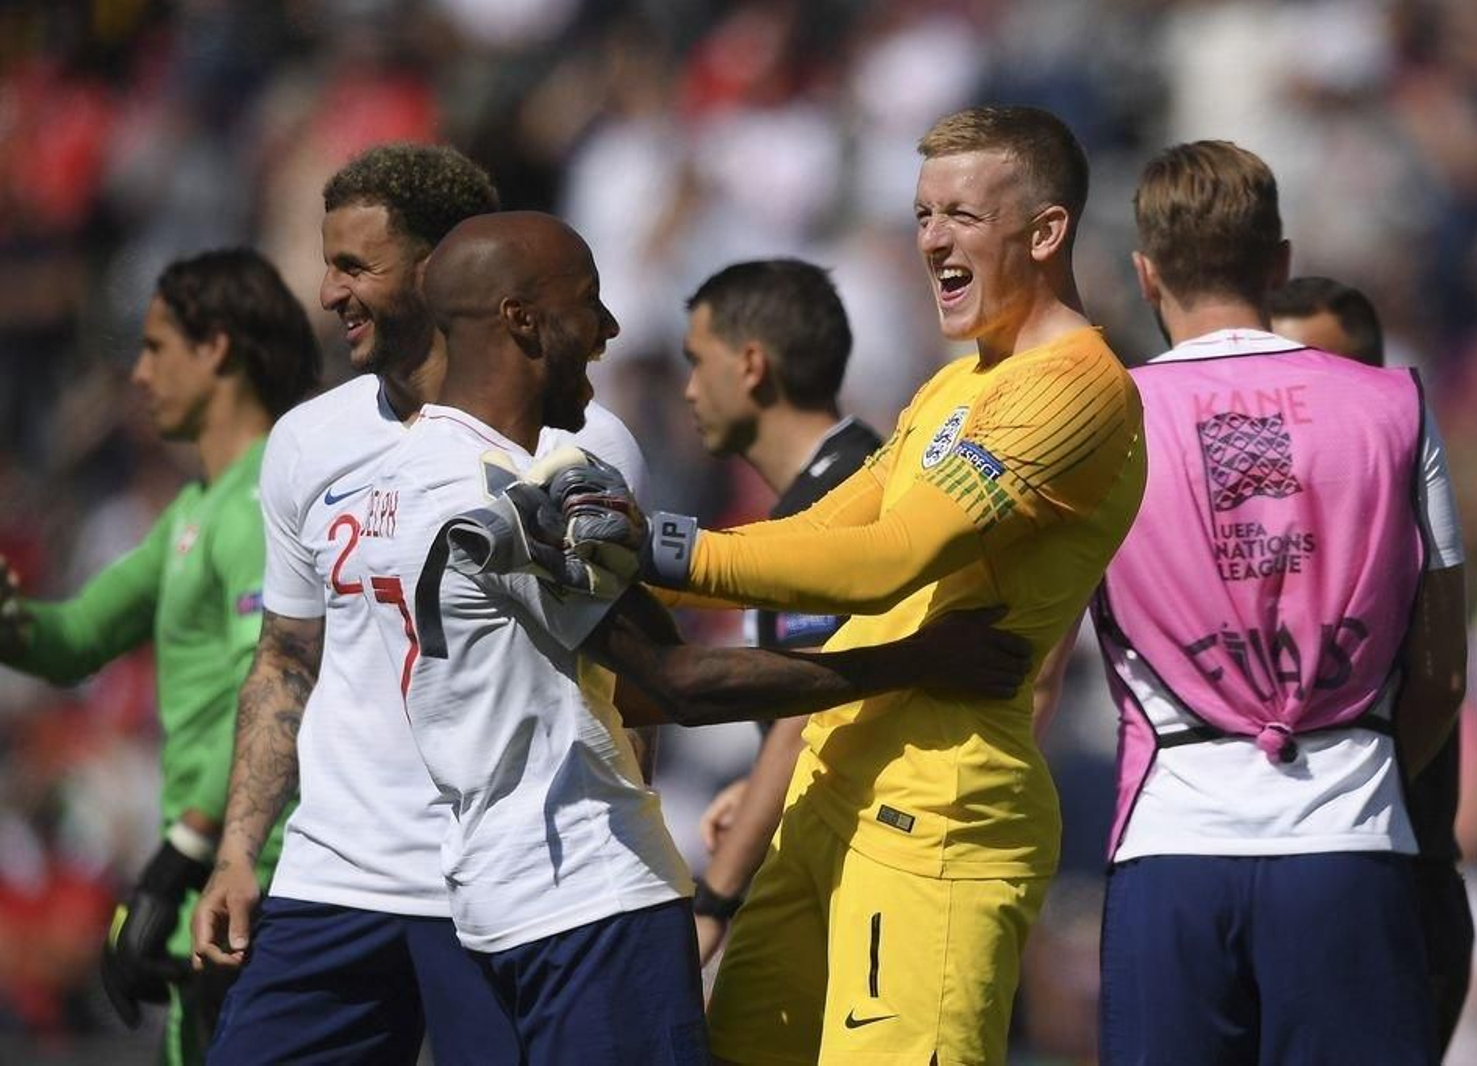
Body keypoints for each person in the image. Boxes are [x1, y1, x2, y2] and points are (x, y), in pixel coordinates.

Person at [350, 211, 1031, 1062]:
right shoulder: (507, 493)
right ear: (521, 320)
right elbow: (673, 681)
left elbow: (619, 686)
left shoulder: (392, 478)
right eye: (587, 302)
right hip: (584, 899)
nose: (608, 329)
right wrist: (913, 661)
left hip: (483, 896)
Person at [549, 104, 1147, 1066]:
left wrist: (656, 551)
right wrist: (628, 564)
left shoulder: (1076, 386)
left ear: (1046, 232)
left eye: (962, 215)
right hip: (831, 789)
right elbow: (823, 531)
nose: (933, 240)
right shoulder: (954, 385)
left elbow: (888, 560)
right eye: (922, 215)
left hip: (938, 817)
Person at [186, 143, 629, 1064]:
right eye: (329, 265)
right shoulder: (307, 441)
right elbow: (287, 656)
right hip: (334, 878)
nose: (328, 293)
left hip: (504, 887)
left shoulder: (576, 445)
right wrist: (238, 852)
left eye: (355, 267)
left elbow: (624, 674)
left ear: (435, 272)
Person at [1091, 142, 1467, 1064]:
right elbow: (1443, 676)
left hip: (1170, 843)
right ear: (1279, 262)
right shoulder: (1398, 405)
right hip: (1350, 837)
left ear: (1145, 273)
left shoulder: (1100, 420)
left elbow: (1039, 662)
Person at [0, 249, 320, 1063]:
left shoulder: (260, 501)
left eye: (154, 348)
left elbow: (276, 679)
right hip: (211, 884)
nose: (138, 375)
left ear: (216, 349)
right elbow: (76, 639)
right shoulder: (194, 510)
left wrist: (183, 850)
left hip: (259, 883)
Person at [1270, 274, 1474, 1055]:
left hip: (1397, 888)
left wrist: (1347, 799)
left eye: (1321, 373)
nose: (1296, 399)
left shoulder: (1407, 515)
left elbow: (1440, 685)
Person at [678, 259, 883, 965]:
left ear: (752, 365)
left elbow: (804, 714)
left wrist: (714, 902)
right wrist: (761, 789)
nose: (689, 388)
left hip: (870, 866)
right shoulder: (834, 486)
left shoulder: (842, 499)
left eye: (697, 361)